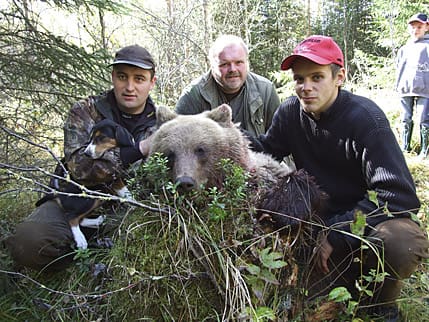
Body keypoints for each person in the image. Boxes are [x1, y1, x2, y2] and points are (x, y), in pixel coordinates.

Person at [251, 35, 429, 321]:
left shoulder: (366, 120)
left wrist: (339, 233)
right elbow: (265, 150)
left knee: (400, 243)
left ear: (339, 77)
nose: (306, 87)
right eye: (299, 79)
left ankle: (381, 306)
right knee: (309, 303)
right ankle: (342, 282)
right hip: (318, 223)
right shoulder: (289, 113)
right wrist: (217, 134)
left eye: (317, 77)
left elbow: (399, 198)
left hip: (367, 224)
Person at [5, 45, 158, 271]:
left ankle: (103, 252)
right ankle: (79, 258)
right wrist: (138, 150)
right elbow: (80, 168)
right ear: (113, 77)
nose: (129, 87)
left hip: (129, 207)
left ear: (151, 82)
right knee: (28, 243)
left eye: (139, 79)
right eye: (122, 77)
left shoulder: (162, 122)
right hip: (75, 196)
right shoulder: (86, 110)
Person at [175, 34, 280, 137]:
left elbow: (278, 143)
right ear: (212, 65)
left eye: (239, 62)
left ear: (246, 63)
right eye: (224, 64)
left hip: (256, 153)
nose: (232, 69)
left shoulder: (265, 91)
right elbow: (176, 140)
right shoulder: (193, 95)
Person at [395, 13, 429, 157]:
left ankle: (424, 150)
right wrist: (397, 86)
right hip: (405, 89)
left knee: (424, 119)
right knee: (405, 118)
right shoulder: (404, 48)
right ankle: (405, 147)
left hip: (425, 90)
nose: (415, 30)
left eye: (419, 27)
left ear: (427, 27)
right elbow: (398, 67)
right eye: (413, 27)